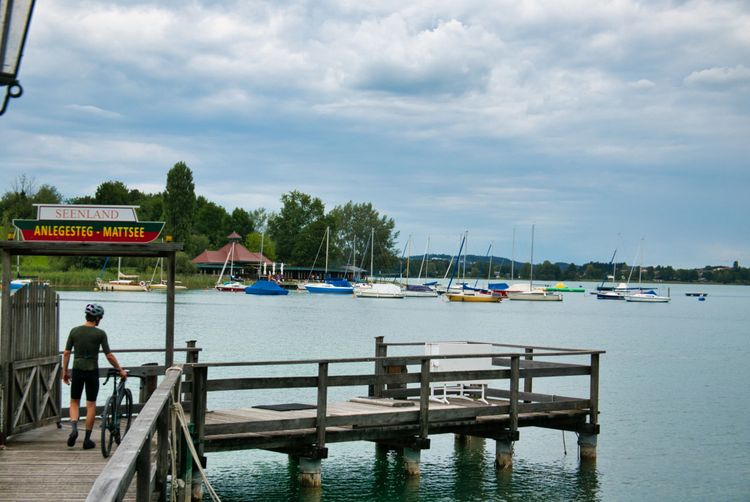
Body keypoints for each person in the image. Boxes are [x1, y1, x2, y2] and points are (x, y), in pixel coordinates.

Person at [62, 303, 127, 449]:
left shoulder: (74, 331)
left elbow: (66, 353)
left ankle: (73, 429)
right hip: (92, 371)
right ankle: (87, 440)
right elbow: (108, 355)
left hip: (77, 370)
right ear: (97, 318)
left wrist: (64, 372)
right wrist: (120, 369)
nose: (101, 320)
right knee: (90, 404)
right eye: (100, 317)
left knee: (74, 401)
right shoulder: (100, 334)